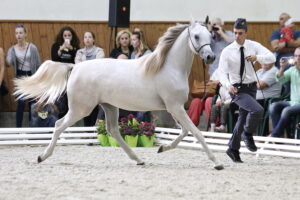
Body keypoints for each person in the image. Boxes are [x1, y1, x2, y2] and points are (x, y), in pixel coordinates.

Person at [218, 18, 276, 163]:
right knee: (257, 110)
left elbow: (271, 57)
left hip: (251, 88)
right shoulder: (227, 51)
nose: (237, 36)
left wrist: (258, 57)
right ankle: (247, 134)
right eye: (235, 33)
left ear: (246, 33)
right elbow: (221, 73)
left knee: (242, 118)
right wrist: (227, 85)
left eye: (240, 33)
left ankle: (232, 149)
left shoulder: (253, 46)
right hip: (236, 89)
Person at [6, 24, 41, 127]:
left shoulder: (32, 48)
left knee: (32, 104)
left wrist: (38, 80)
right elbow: (8, 63)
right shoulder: (12, 49)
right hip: (20, 76)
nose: (18, 35)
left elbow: (38, 64)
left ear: (25, 34)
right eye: (16, 33)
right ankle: (18, 129)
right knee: (21, 103)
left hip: (31, 75)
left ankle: (32, 129)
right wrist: (7, 60)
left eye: (21, 33)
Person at [75, 31, 105, 126]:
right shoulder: (80, 52)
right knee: (85, 108)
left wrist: (85, 67)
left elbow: (98, 65)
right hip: (84, 84)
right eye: (85, 37)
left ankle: (93, 131)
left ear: (93, 39)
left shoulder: (99, 51)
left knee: (95, 106)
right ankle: (86, 131)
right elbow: (78, 66)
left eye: (90, 37)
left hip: (96, 83)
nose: (87, 39)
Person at [269, 47, 300, 138]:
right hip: (293, 102)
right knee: (273, 106)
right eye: (295, 56)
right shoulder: (292, 70)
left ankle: (275, 135)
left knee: (286, 111)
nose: (297, 58)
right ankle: (279, 138)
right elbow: (280, 79)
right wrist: (282, 68)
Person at [51, 26, 80, 119]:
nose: (67, 37)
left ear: (72, 36)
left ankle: (68, 121)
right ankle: (59, 120)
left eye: (69, 35)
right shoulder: (56, 46)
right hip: (60, 76)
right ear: (62, 37)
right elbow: (54, 59)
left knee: (70, 99)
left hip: (71, 76)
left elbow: (77, 61)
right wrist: (61, 49)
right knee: (60, 99)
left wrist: (71, 49)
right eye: (65, 35)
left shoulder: (76, 48)